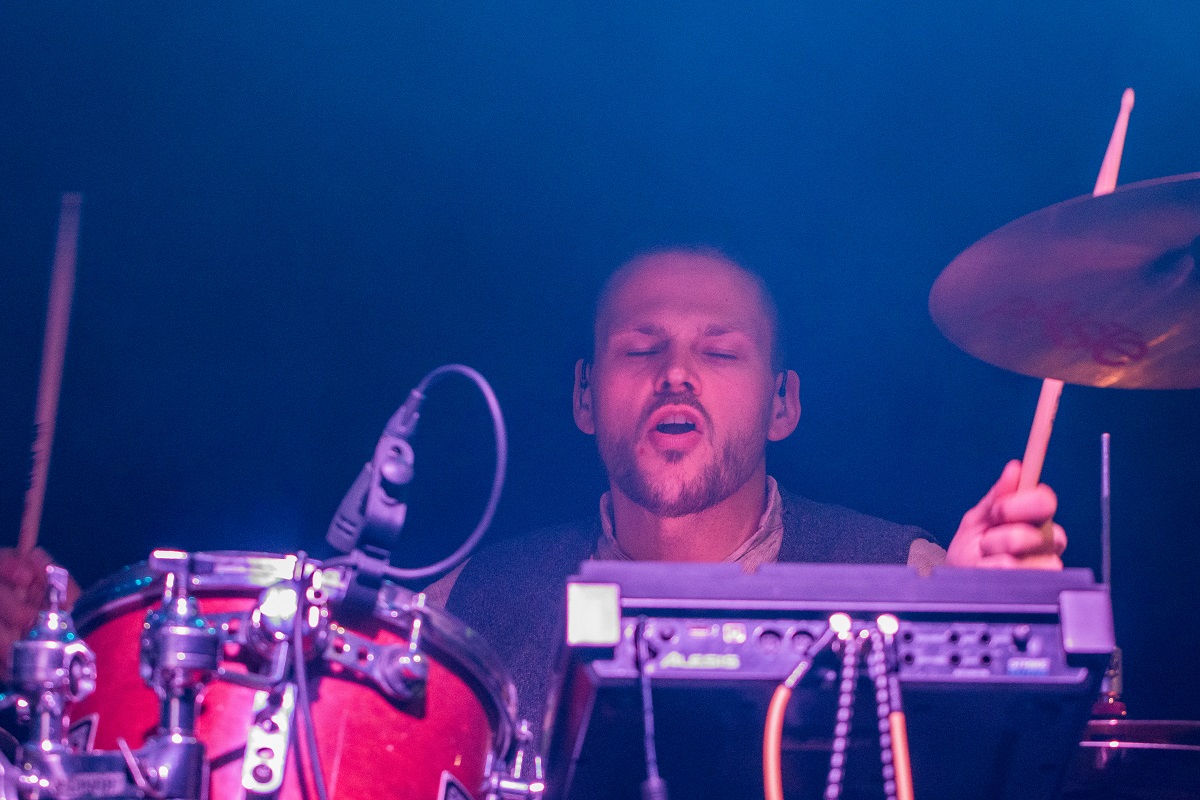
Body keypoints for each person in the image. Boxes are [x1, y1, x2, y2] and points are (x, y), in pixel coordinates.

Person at [436, 245, 1066, 737]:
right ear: (584, 395)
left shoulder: (911, 575)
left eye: (719, 353)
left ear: (781, 403)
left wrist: (975, 630)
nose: (675, 374)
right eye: (641, 349)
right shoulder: (459, 608)